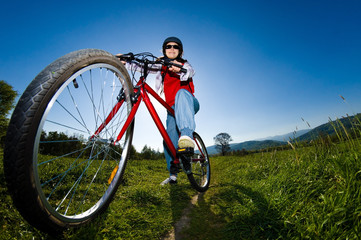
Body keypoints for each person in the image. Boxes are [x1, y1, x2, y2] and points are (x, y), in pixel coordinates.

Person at [120, 37, 199, 185]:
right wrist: (125, 62)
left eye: (176, 47)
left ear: (180, 51)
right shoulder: (161, 66)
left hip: (188, 103)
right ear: (164, 50)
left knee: (181, 93)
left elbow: (189, 71)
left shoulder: (184, 63)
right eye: (168, 47)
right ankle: (173, 174)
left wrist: (179, 68)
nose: (172, 49)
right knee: (168, 139)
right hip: (171, 111)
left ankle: (187, 137)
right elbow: (141, 67)